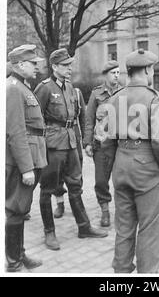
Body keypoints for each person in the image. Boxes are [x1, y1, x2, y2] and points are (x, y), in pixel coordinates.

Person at [101, 48, 159, 273]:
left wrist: (115, 167)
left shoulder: (114, 98)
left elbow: (106, 141)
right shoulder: (155, 99)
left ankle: (121, 271)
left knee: (124, 226)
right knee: (150, 229)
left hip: (121, 164)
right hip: (148, 167)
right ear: (149, 70)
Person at [34, 48, 108, 251]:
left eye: (70, 64)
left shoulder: (70, 87)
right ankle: (49, 232)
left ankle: (84, 227)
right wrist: (39, 149)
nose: (70, 68)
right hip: (52, 145)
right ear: (54, 66)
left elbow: (78, 116)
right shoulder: (44, 88)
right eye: (65, 65)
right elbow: (34, 120)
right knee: (48, 188)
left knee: (75, 186)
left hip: (70, 143)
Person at [6, 44, 47, 272]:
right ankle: (13, 262)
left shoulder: (22, 87)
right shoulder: (13, 88)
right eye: (33, 63)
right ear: (20, 65)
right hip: (23, 160)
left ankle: (19, 255)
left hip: (32, 156)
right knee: (15, 208)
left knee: (21, 209)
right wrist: (26, 168)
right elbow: (16, 131)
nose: (37, 66)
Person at [83, 61, 120, 227]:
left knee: (123, 179)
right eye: (113, 73)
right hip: (102, 145)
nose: (116, 76)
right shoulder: (96, 93)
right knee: (101, 181)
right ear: (106, 75)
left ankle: (125, 210)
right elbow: (89, 119)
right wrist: (87, 143)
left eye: (118, 73)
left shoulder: (124, 92)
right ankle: (105, 211)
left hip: (121, 145)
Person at [53, 86, 86, 219]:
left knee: (77, 170)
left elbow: (83, 117)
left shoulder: (77, 92)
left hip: (75, 135)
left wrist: (84, 139)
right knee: (58, 171)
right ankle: (60, 203)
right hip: (58, 136)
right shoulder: (52, 90)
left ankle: (77, 203)